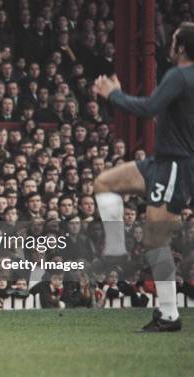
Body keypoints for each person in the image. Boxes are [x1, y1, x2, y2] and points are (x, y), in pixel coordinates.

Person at [93, 22, 194, 332]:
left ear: (180, 47)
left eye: (174, 39)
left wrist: (114, 95)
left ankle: (169, 316)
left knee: (154, 240)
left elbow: (148, 107)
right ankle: (115, 250)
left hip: (175, 165)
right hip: (160, 162)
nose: (169, 42)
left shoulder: (180, 75)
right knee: (104, 183)